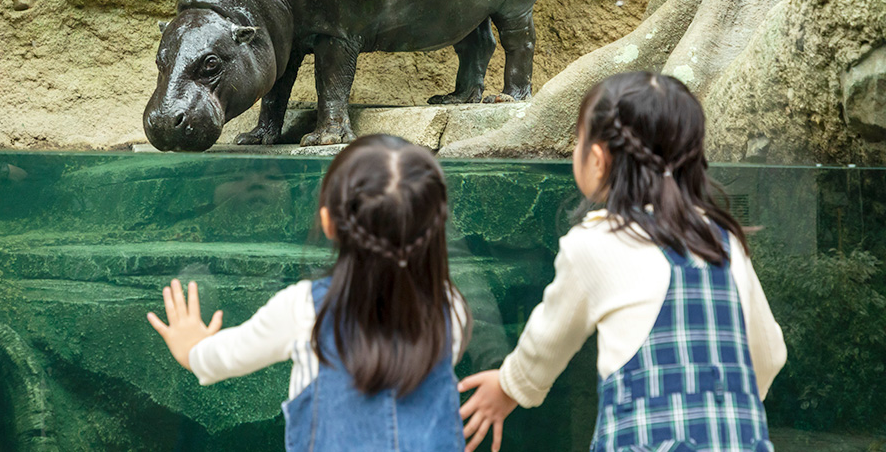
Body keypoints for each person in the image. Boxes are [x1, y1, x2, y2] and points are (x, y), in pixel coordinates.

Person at [458, 71, 787, 452]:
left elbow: (547, 342)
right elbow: (769, 353)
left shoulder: (595, 243)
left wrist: (508, 386)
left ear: (597, 159)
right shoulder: (721, 240)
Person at [147, 134, 471, 451]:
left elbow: (221, 358)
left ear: (328, 222)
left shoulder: (303, 309)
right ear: (436, 228)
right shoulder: (450, 306)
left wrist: (192, 348)